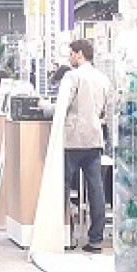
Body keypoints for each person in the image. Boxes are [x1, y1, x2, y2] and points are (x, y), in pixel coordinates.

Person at [52, 40, 113, 253]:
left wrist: (44, 107)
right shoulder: (103, 79)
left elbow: (62, 106)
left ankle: (62, 234)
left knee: (64, 186)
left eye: (71, 54)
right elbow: (106, 110)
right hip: (94, 138)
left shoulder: (72, 76)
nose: (69, 57)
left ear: (79, 54)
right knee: (96, 188)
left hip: (72, 138)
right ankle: (96, 238)